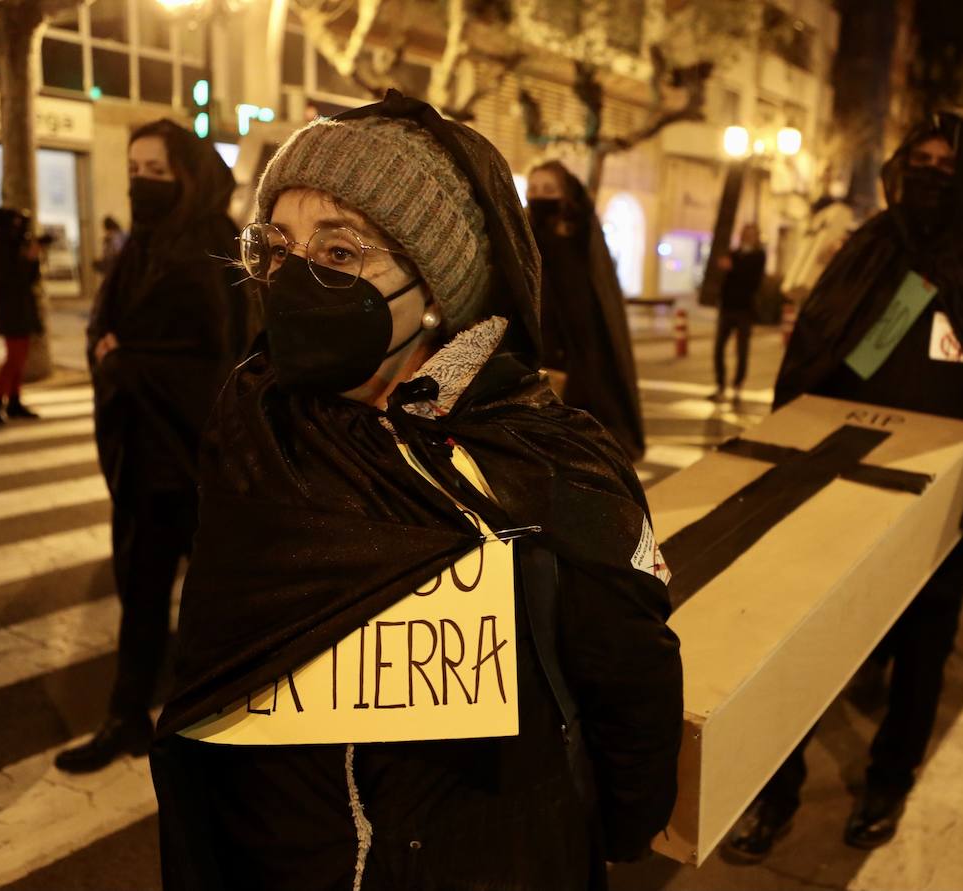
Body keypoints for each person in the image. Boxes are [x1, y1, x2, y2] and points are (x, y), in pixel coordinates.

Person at [149, 92, 682, 889]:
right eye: (278, 247)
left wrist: (626, 819)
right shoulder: (253, 423)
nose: (294, 279)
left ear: (435, 287)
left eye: (338, 253)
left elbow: (629, 670)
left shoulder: (545, 461)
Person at [727, 109, 963, 860]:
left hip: (949, 502)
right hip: (844, 488)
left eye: (947, 162)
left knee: (921, 653)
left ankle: (888, 779)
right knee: (808, 644)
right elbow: (818, 355)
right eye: (921, 157)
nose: (931, 171)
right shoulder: (871, 250)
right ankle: (775, 790)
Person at [55, 120, 248, 773]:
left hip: (196, 456)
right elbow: (104, 326)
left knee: (214, 600)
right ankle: (125, 714)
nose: (140, 182)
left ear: (186, 177)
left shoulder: (215, 246)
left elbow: (220, 357)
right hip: (143, 452)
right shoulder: (141, 245)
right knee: (139, 589)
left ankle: (208, 725)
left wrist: (126, 363)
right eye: (133, 169)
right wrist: (114, 358)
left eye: (155, 171)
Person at [526, 160, 646, 460]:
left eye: (549, 189)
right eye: (535, 189)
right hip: (536, 349)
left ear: (565, 195)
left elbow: (590, 302)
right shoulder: (523, 238)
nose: (540, 196)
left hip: (581, 356)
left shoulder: (581, 241)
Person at [0, 207, 44, 425]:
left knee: (20, 358)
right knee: (14, 358)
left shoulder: (10, 244)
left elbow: (28, 278)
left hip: (19, 307)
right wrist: (30, 259)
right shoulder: (0, 246)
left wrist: (31, 258)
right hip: (11, 309)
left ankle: (14, 401)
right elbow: (15, 278)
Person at [712, 223, 767, 402]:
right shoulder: (733, 253)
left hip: (744, 309)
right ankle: (720, 385)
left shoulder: (759, 256)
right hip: (728, 307)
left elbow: (752, 281)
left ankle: (737, 385)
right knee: (719, 347)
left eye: (752, 233)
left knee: (742, 350)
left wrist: (732, 268)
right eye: (746, 233)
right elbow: (724, 280)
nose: (748, 236)